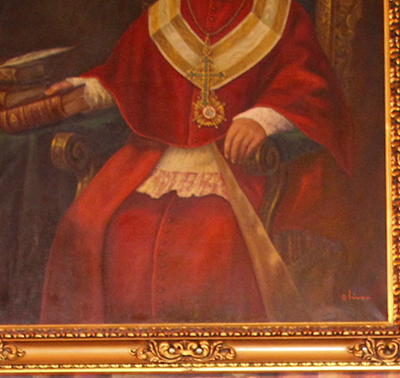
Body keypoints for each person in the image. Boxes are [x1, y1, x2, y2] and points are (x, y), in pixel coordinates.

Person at [36, 0, 356, 323]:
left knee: (210, 240)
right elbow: (123, 75)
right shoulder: (166, 12)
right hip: (155, 157)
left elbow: (309, 88)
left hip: (233, 165)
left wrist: (264, 118)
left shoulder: (281, 14)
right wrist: (85, 92)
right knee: (86, 224)